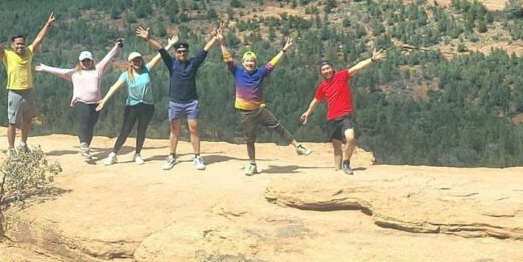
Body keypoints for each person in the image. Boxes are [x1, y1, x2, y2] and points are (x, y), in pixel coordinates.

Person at [219, 34, 312, 176]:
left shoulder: (260, 73)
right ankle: (252, 164)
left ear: (255, 63)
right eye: (247, 61)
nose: (250, 63)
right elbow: (228, 59)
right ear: (243, 63)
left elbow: (272, 63)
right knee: (249, 139)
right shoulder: (237, 72)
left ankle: (298, 146)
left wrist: (284, 50)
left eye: (252, 61)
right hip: (246, 113)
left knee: (278, 127)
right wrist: (222, 42)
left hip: (260, 109)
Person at [137, 24, 222, 171]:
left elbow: (205, 50)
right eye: (179, 51)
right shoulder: (172, 64)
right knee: (174, 129)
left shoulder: (193, 63)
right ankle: (171, 156)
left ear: (187, 52)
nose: (182, 53)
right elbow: (161, 49)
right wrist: (148, 38)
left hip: (191, 102)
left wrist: (215, 38)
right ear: (176, 53)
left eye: (184, 51)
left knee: (194, 129)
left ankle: (197, 156)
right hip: (175, 102)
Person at [35, 38, 123, 163]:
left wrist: (117, 47)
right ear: (80, 62)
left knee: (91, 125)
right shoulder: (74, 73)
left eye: (88, 60)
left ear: (91, 61)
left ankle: (85, 147)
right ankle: (83, 144)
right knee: (85, 119)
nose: (86, 62)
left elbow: (107, 58)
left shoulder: (98, 70)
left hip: (97, 102)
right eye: (84, 61)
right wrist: (44, 68)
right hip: (80, 101)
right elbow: (59, 71)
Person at [0, 13, 55, 152]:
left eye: (22, 44)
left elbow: (39, 39)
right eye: (18, 44)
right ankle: (11, 149)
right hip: (14, 92)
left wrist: (48, 25)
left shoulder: (29, 53)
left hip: (28, 91)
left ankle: (23, 145)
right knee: (12, 123)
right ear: (12, 45)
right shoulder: (7, 55)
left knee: (28, 120)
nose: (20, 46)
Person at [96, 35, 179, 165]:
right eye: (134, 60)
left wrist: (169, 45)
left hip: (148, 106)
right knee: (125, 130)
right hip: (132, 107)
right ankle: (114, 154)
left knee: (142, 130)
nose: (137, 62)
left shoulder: (147, 69)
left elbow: (159, 56)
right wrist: (103, 100)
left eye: (139, 59)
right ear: (130, 62)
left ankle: (138, 154)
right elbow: (114, 87)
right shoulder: (126, 75)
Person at [300, 49, 386, 174]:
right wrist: (308, 112)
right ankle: (337, 170)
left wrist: (371, 59)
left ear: (332, 68)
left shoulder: (341, 76)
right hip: (332, 118)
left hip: (345, 116)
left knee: (350, 139)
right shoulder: (322, 86)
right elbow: (316, 100)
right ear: (321, 73)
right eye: (323, 70)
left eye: (328, 68)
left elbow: (357, 68)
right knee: (337, 148)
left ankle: (346, 163)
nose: (326, 71)